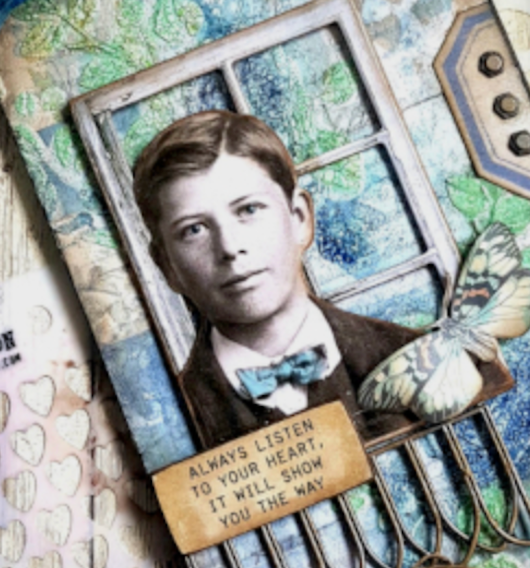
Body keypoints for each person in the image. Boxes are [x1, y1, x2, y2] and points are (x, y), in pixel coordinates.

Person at [132, 110, 502, 450]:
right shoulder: (165, 428)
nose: (229, 248)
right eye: (194, 229)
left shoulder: (428, 361)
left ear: (299, 219)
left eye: (248, 209)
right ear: (166, 266)